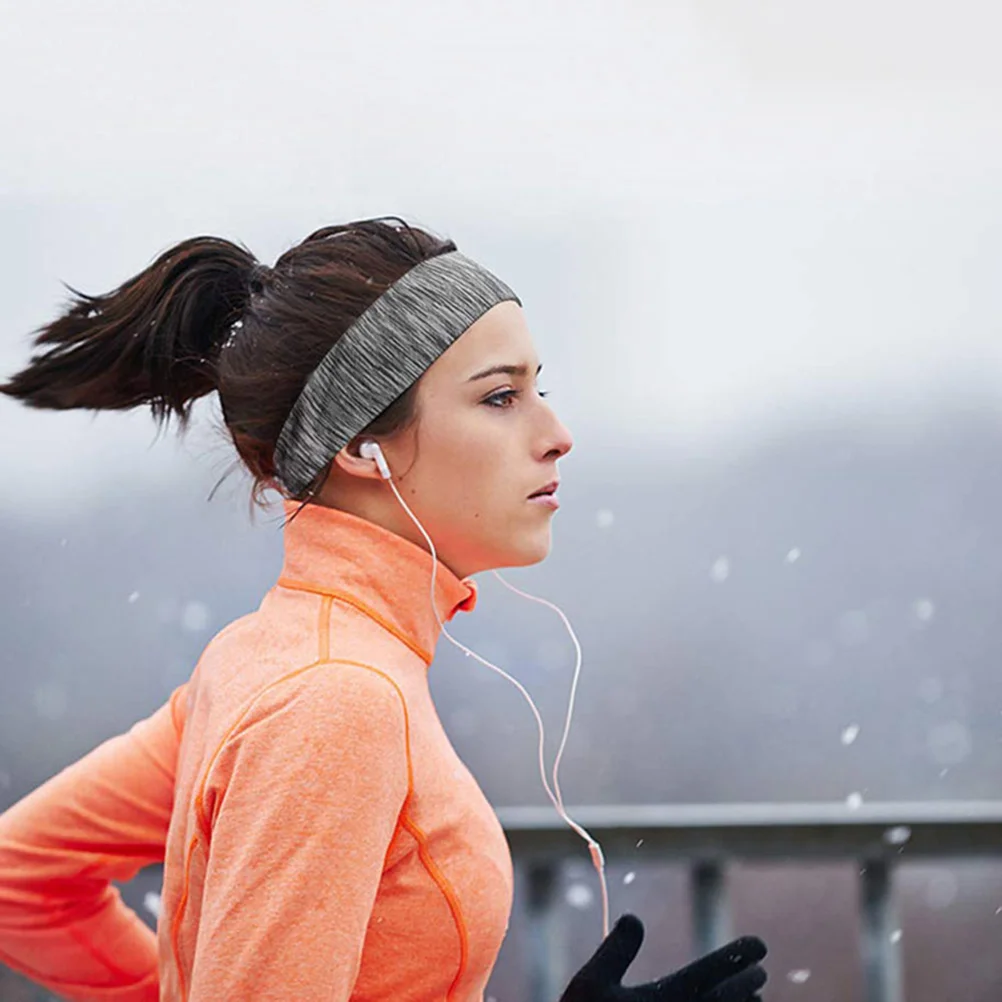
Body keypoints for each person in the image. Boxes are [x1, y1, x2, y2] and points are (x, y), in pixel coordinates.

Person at [0, 218, 768, 1002]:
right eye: (501, 397)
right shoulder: (335, 698)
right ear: (363, 447)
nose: (557, 435)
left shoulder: (267, 656)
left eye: (541, 390)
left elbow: (18, 879)